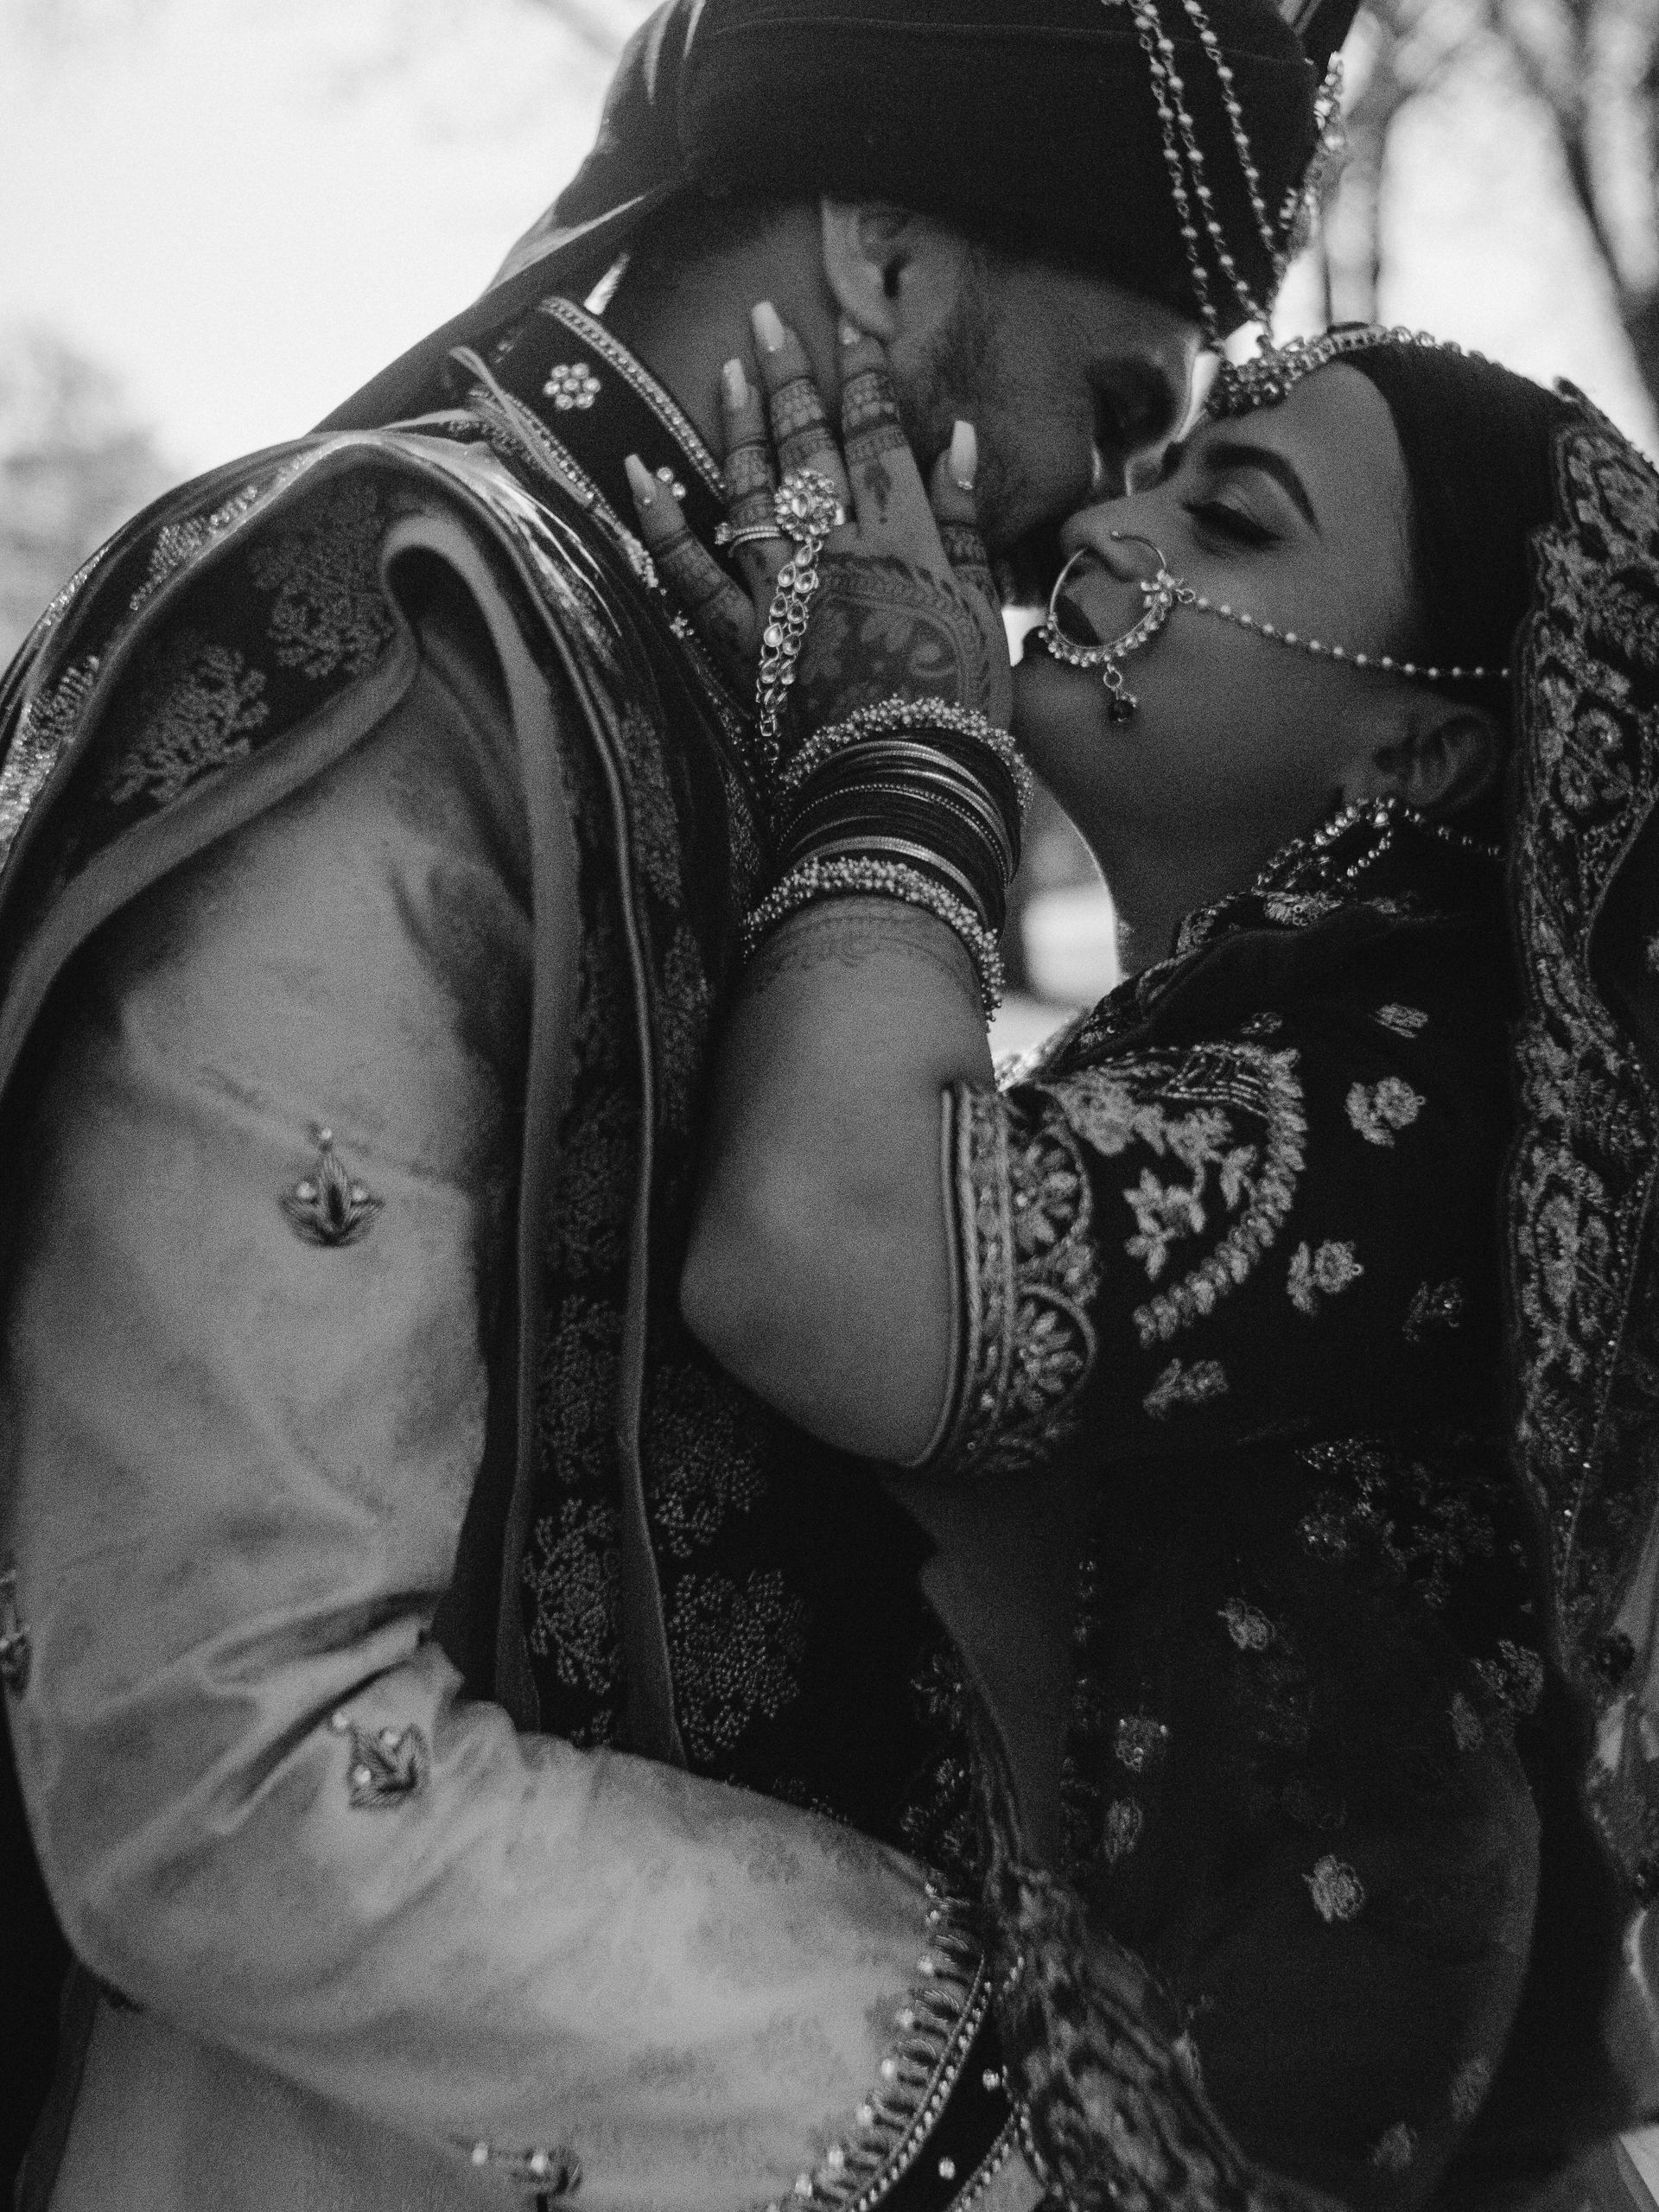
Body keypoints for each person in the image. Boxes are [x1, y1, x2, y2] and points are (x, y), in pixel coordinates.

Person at [0, 1, 1359, 2206]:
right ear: (893, 263)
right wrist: (1005, 2093)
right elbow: (216, 1765)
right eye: (1120, 410)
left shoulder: (741, 675)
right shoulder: (418, 632)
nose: (1098, 533)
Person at [636, 320, 1659, 2207]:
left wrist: (899, 744)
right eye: (1155, 468)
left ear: (1422, 741)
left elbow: (822, 1264)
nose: (1110, 527)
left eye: (1236, 517)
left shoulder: (1425, 1111)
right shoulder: (1243, 1048)